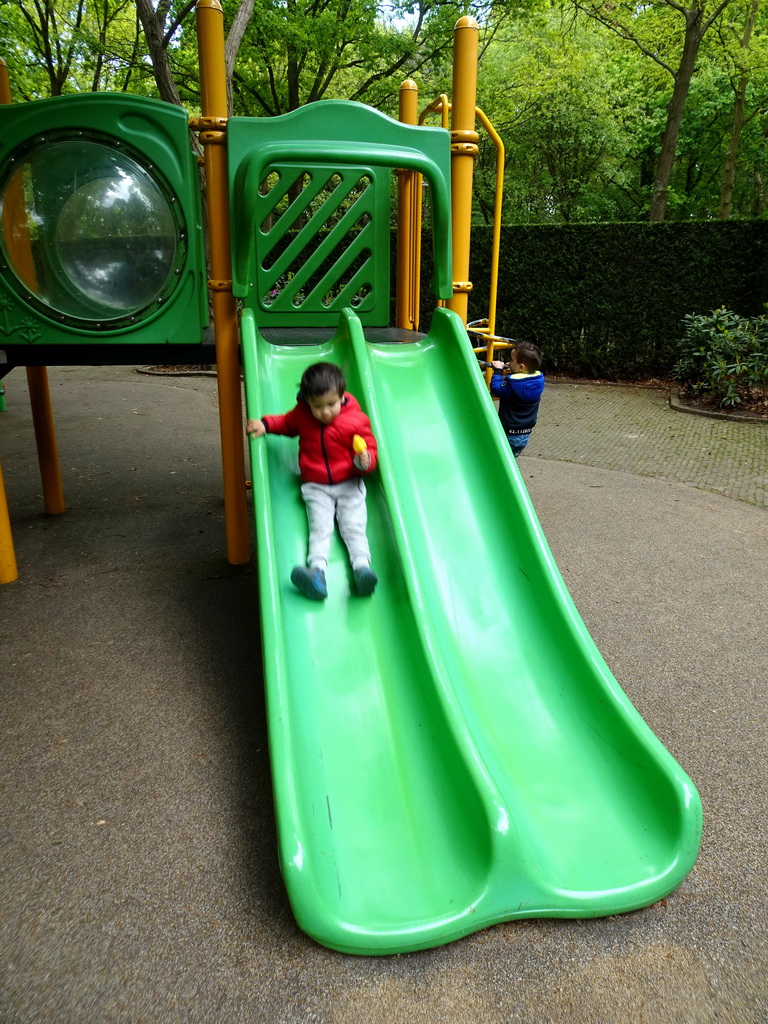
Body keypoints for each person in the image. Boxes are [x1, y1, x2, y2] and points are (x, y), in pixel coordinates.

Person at [246, 362, 379, 601]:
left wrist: (364, 461)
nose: (325, 412)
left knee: (353, 526)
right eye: (318, 406)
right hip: (316, 486)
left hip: (349, 482)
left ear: (342, 397)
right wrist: (264, 425)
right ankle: (317, 573)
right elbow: (286, 423)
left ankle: (362, 570)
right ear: (307, 401)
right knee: (320, 528)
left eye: (331, 404)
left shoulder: (355, 420)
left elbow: (370, 448)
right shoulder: (303, 415)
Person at [490, 341, 545, 458]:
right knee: (510, 461)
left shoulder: (513, 385)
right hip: (524, 434)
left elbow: (496, 389)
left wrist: (498, 371)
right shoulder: (537, 381)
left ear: (521, 367)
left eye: (512, 360)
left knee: (499, 459)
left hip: (508, 433)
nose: (509, 363)